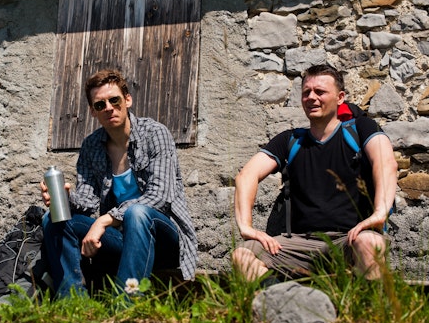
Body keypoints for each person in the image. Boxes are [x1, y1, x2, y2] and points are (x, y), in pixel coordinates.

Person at [40, 69, 198, 297]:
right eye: (100, 105)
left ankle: (126, 303)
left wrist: (105, 220)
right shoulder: (91, 146)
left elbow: (160, 197)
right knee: (53, 218)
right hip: (122, 239)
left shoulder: (155, 134)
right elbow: (87, 200)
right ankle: (73, 302)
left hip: (163, 240)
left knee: (138, 213)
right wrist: (65, 199)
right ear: (93, 111)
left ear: (127, 100)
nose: (109, 108)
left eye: (114, 100)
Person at [232, 64, 398, 283]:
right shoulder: (290, 140)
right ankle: (287, 300)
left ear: (340, 98)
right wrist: (246, 227)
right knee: (242, 255)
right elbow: (246, 176)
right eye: (306, 92)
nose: (311, 97)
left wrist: (380, 213)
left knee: (370, 243)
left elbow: (385, 162)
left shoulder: (361, 128)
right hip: (298, 243)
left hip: (348, 239)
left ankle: (367, 305)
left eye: (320, 91)